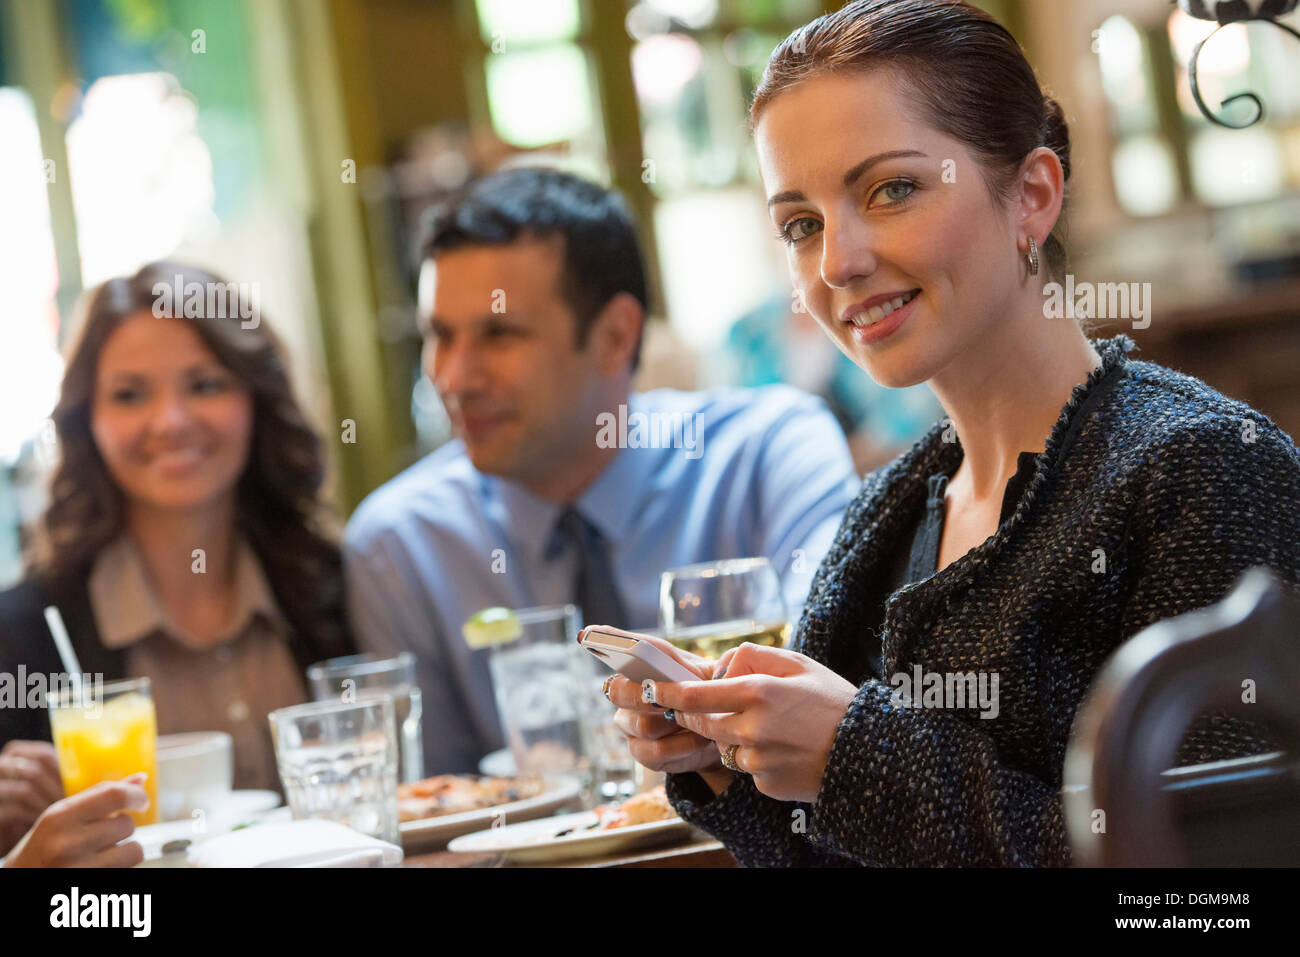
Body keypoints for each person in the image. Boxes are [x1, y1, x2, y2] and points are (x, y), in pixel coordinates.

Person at [605, 0, 1300, 867]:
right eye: (802, 224)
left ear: (1033, 196)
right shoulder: (883, 519)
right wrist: (730, 765)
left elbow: (1203, 885)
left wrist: (851, 758)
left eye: (891, 189)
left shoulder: (1202, 469)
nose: (838, 262)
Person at [343, 166, 860, 775]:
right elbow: (438, 806)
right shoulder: (402, 545)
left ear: (616, 336)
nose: (453, 379)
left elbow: (821, 695)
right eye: (439, 335)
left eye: (499, 334)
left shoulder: (767, 454)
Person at [0, 262, 353, 862]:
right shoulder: (22, 635)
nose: (170, 422)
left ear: (256, 400)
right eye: (130, 394)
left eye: (205, 384)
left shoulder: (336, 582)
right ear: (89, 421)